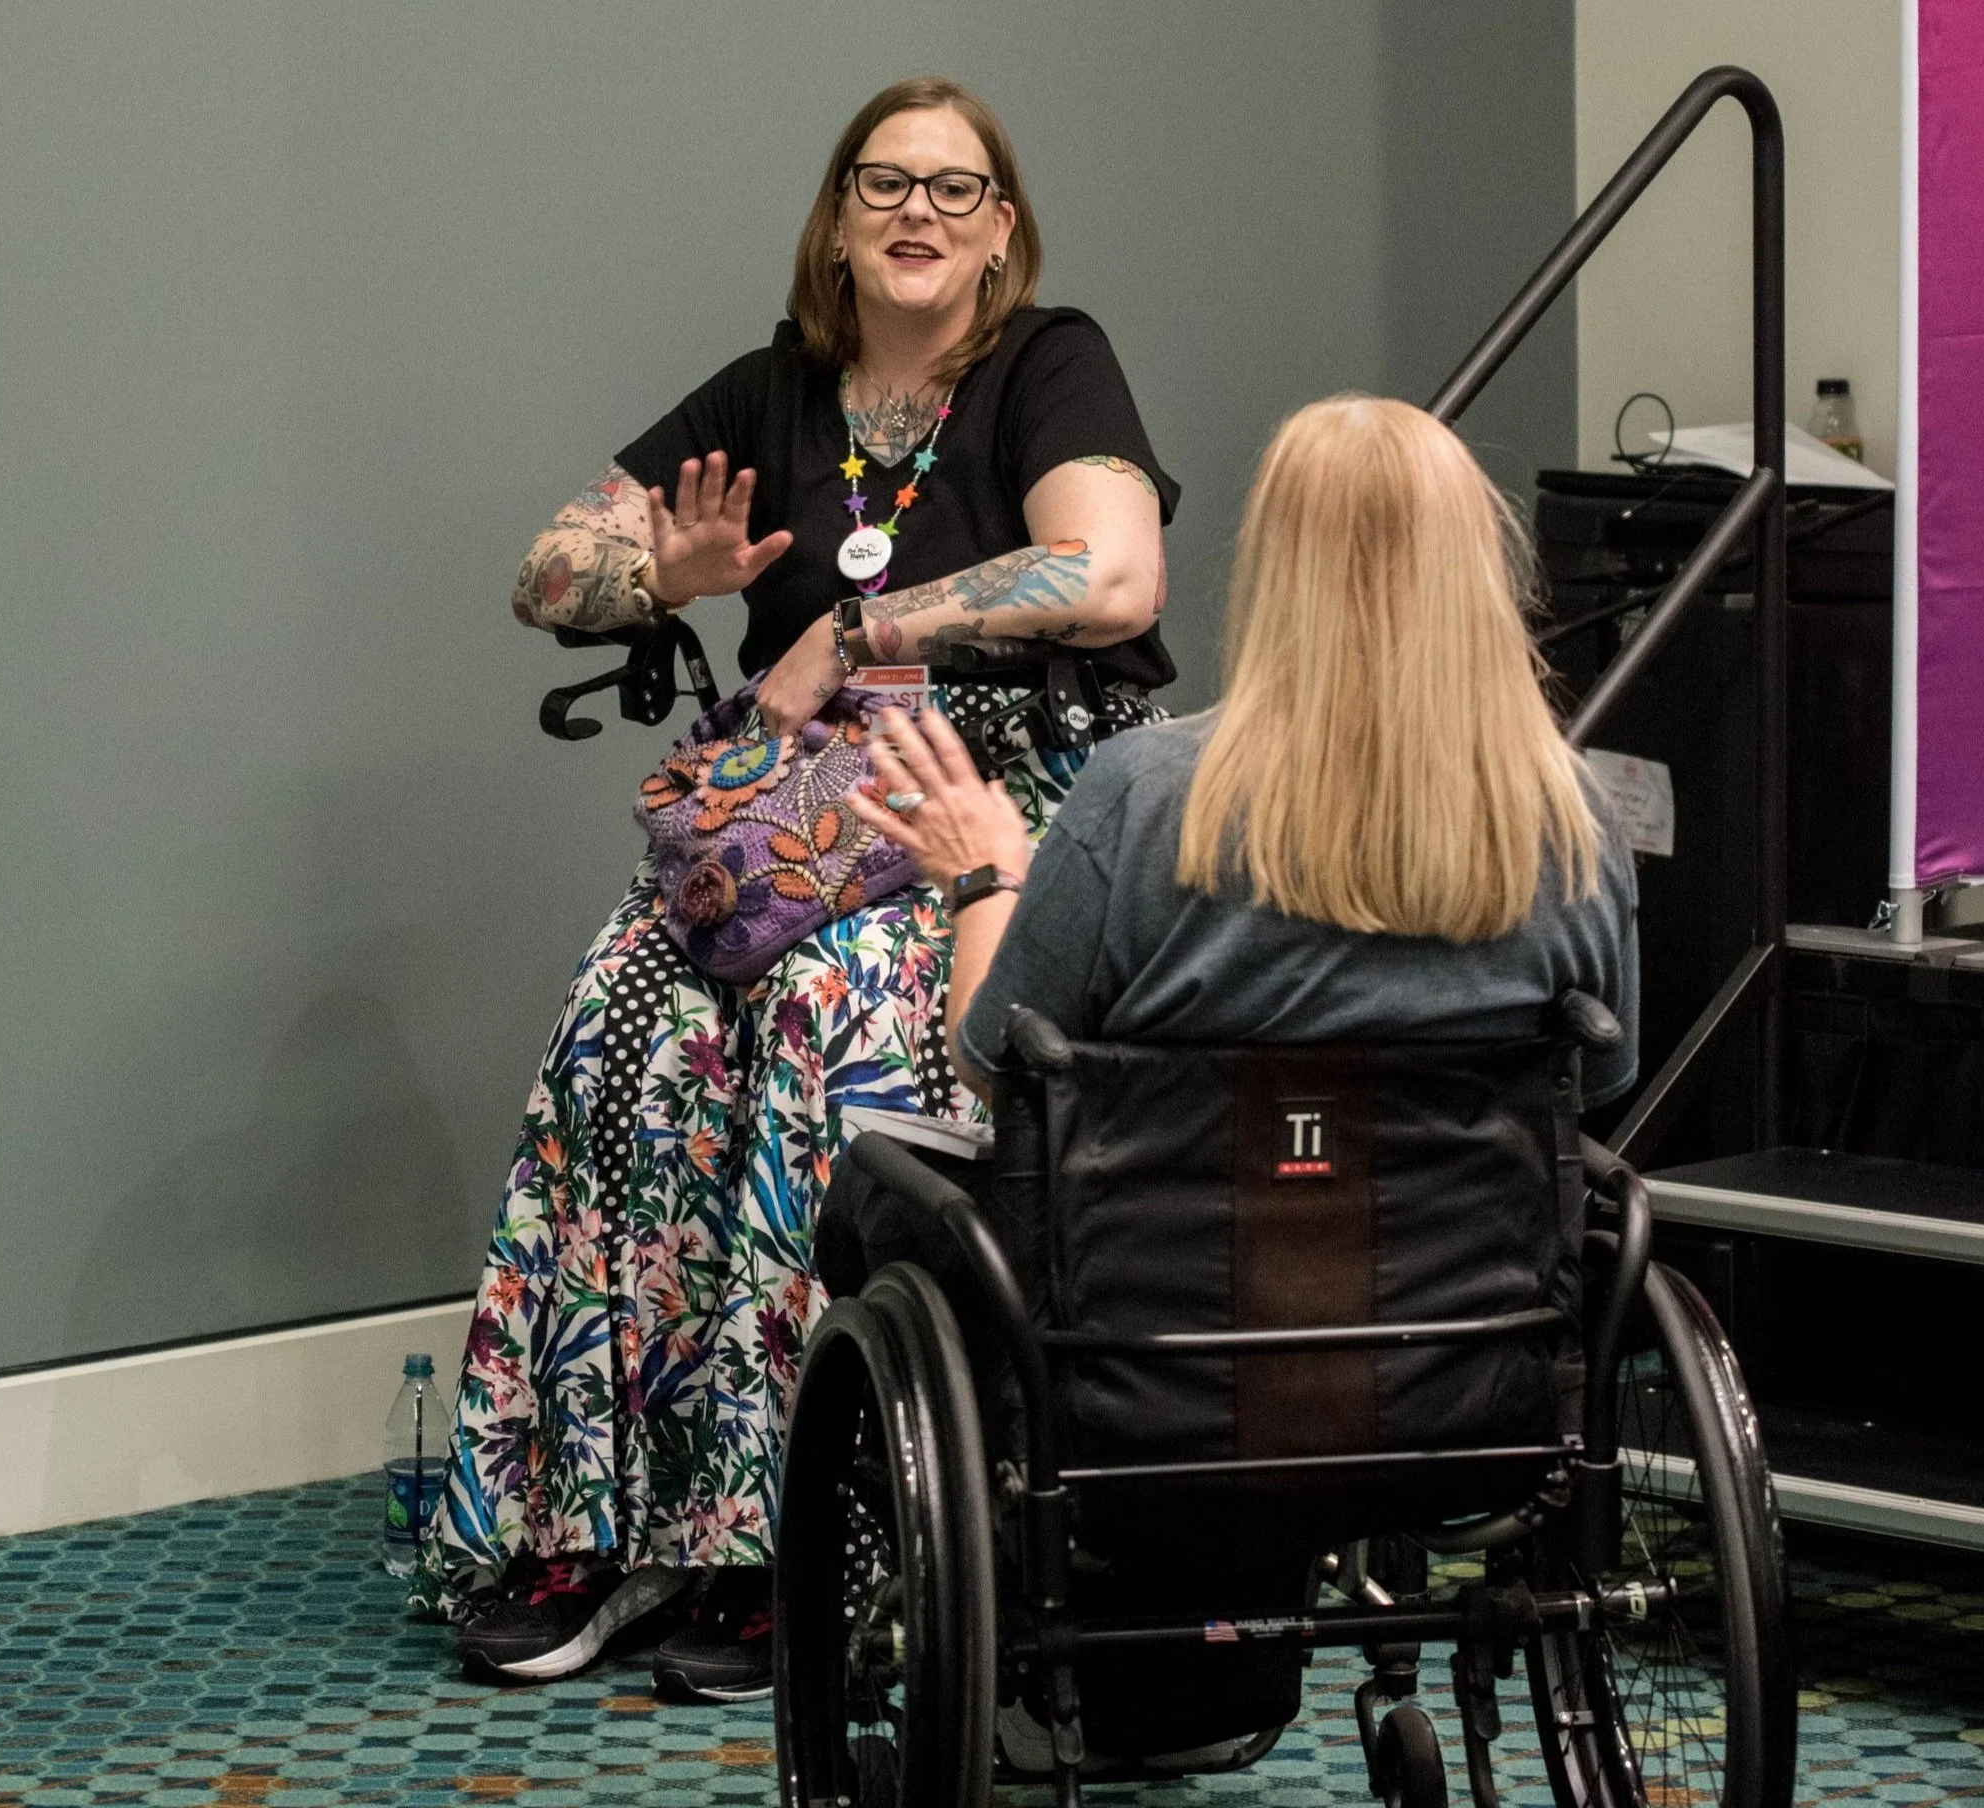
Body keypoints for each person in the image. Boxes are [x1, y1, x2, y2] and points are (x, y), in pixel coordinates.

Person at [416, 75, 1177, 1702]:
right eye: (885, 183)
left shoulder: (1047, 364)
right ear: (838, 218)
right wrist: (661, 572)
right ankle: (600, 1534)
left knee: (828, 1042)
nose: (920, 211)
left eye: (957, 190)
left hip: (986, 801)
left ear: (1003, 233)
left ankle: (786, 1538)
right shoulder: (773, 391)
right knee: (619, 1030)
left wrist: (867, 628)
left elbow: (1110, 574)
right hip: (795, 814)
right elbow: (545, 565)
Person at [842, 392, 1638, 1117]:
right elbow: (1599, 1081)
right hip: (1476, 1271)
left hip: (1173, 1269)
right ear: (1481, 569)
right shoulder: (1574, 818)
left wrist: (984, 877)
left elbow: (993, 1068)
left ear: (1275, 569)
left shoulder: (1143, 797)